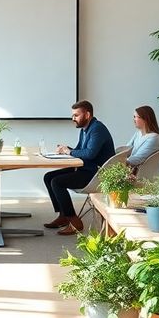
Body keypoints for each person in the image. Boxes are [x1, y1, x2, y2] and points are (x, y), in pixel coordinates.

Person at [43, 100, 115, 236]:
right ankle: (63, 215)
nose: (73, 119)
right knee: (48, 177)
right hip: (86, 167)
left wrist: (69, 152)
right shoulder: (85, 129)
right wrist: (67, 149)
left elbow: (90, 153)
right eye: (73, 116)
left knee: (57, 182)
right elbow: (80, 150)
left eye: (76, 115)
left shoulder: (97, 129)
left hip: (95, 173)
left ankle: (74, 221)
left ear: (87, 115)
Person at [125, 105, 159, 170]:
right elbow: (127, 149)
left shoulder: (153, 138)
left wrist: (120, 161)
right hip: (132, 171)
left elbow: (138, 158)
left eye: (137, 117)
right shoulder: (138, 133)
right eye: (134, 117)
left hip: (140, 174)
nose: (134, 120)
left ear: (145, 119)